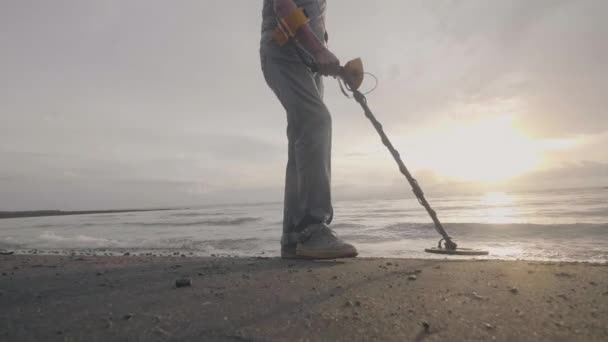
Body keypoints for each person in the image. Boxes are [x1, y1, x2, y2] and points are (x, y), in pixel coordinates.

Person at [260, 0, 358, 259]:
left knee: (302, 137)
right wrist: (318, 50)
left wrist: (330, 62)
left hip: (308, 61)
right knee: (316, 121)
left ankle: (293, 237)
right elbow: (282, 5)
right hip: (283, 52)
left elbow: (312, 19)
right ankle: (312, 229)